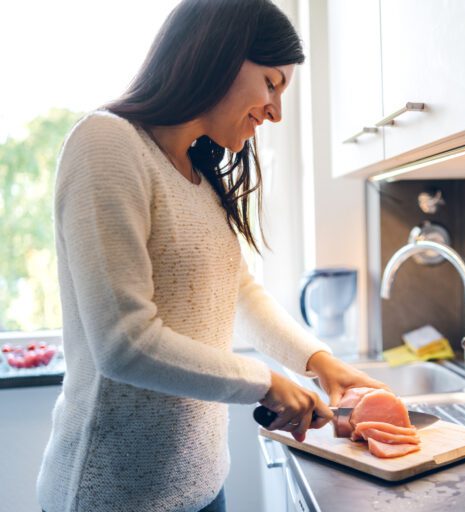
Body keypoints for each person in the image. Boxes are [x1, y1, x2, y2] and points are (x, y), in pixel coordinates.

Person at [36, 1, 387, 511]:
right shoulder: (107, 143)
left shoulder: (201, 172)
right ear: (218, 55)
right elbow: (125, 344)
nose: (276, 111)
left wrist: (319, 363)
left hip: (203, 484)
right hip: (114, 497)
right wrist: (266, 383)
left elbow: (238, 290)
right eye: (271, 83)